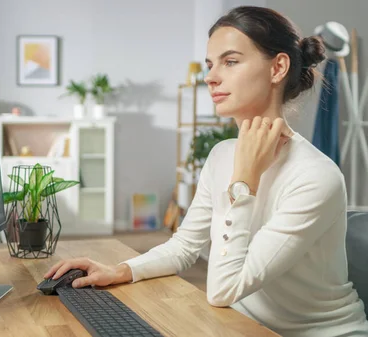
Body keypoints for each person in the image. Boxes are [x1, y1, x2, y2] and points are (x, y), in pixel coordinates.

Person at [44, 6, 368, 337]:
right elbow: (186, 245)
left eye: (230, 61)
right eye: (210, 65)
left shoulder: (316, 176)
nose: (211, 77)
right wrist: (121, 269)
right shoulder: (221, 155)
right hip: (242, 326)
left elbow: (222, 289)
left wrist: (244, 181)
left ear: (278, 67)